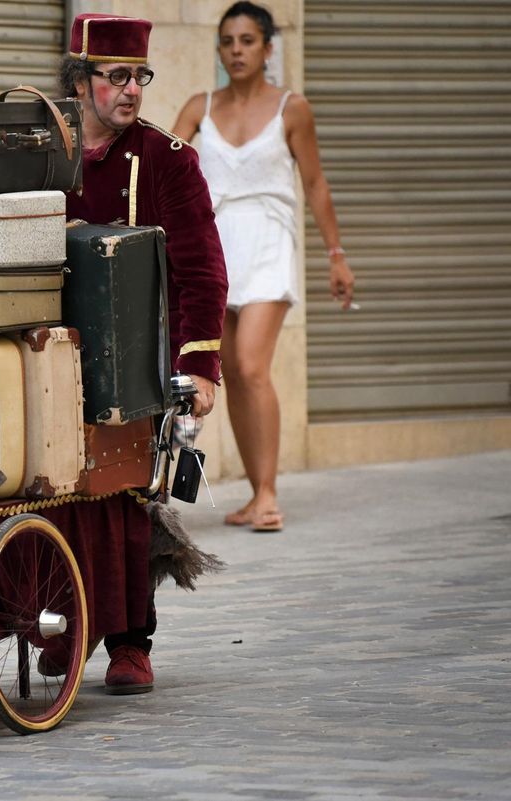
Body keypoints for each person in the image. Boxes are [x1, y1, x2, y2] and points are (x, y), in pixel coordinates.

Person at [50, 13, 229, 694]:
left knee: (128, 499)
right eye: (116, 76)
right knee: (50, 494)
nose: (132, 90)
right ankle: (67, 623)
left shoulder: (169, 160)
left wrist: (199, 367)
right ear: (81, 79)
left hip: (135, 359)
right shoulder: (39, 148)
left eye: (140, 76)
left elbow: (202, 271)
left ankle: (130, 642)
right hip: (48, 357)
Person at [172, 1, 356, 533]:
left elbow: (316, 183)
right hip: (214, 246)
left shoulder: (292, 108)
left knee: (252, 366)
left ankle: (270, 494)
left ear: (268, 47)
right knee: (227, 370)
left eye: (248, 40)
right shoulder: (199, 104)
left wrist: (336, 256)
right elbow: (163, 155)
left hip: (270, 243)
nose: (236, 50)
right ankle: (256, 494)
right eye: (228, 41)